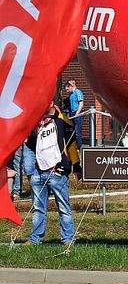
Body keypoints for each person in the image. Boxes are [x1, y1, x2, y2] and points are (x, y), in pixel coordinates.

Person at [27, 102, 75, 246]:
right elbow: (33, 144)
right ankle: (35, 239)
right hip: (39, 171)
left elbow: (70, 132)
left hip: (57, 172)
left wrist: (75, 166)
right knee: (37, 209)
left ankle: (67, 239)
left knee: (63, 208)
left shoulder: (60, 120)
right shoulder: (38, 124)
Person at [63, 80, 84, 145]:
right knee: (73, 131)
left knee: (78, 131)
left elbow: (81, 103)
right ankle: (73, 145)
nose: (67, 91)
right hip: (72, 112)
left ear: (71, 86)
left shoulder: (78, 92)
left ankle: (79, 147)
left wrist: (77, 113)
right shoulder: (70, 94)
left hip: (77, 113)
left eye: (67, 89)